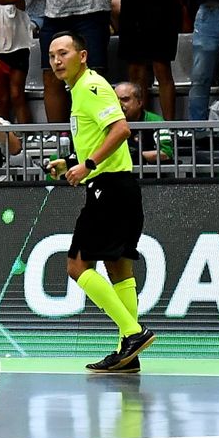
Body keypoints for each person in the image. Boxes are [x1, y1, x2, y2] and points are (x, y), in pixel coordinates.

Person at [45, 31, 156, 373]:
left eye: (63, 53)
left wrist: (88, 165)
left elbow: (121, 129)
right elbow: (100, 136)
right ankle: (128, 353)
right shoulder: (78, 91)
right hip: (121, 187)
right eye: (51, 56)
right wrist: (71, 161)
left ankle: (133, 332)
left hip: (107, 188)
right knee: (119, 267)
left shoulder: (92, 87)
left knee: (77, 266)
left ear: (82, 56)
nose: (56, 60)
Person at [115, 81, 172, 164]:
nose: (119, 104)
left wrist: (137, 156)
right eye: (115, 100)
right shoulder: (109, 122)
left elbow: (167, 153)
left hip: (150, 174)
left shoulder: (155, 121)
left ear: (139, 102)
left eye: (125, 99)